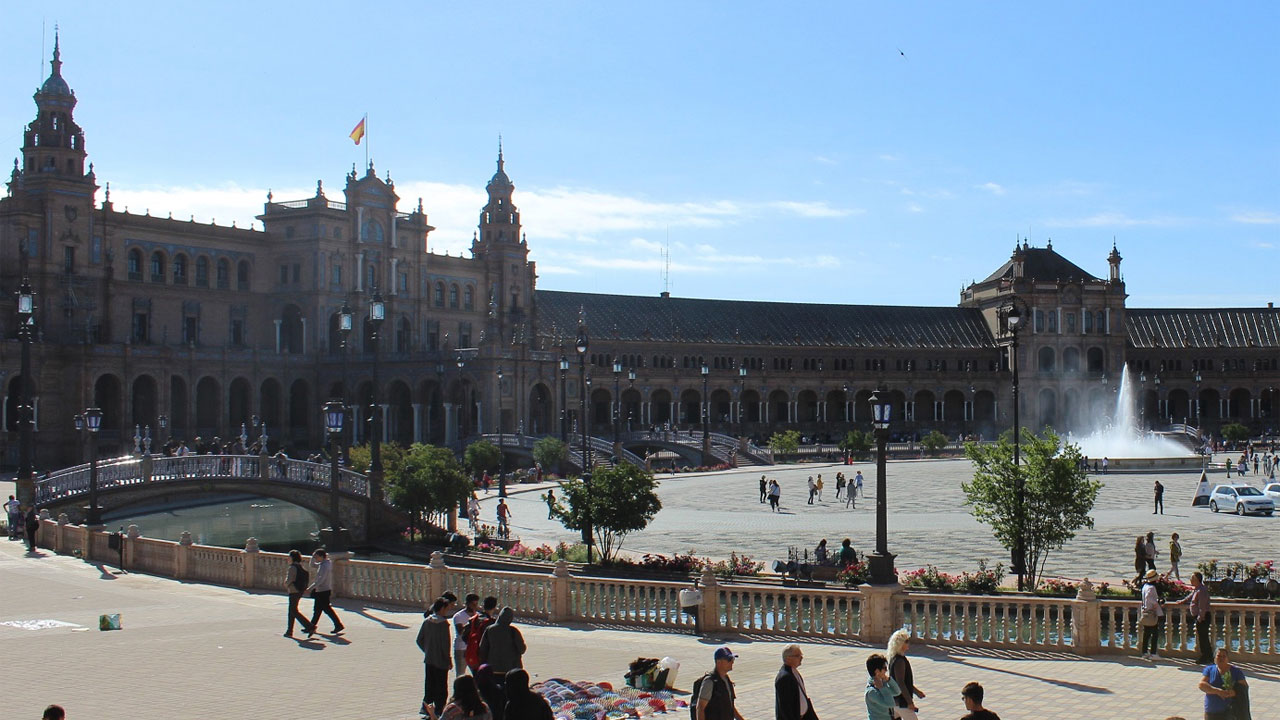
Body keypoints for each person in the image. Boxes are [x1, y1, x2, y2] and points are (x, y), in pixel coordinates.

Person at [418, 597, 454, 717]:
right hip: (441, 661)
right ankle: (439, 710)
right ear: (442, 608)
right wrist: (448, 659)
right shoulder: (443, 624)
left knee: (429, 683)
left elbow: (419, 640)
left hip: (429, 659)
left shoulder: (427, 621)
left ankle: (426, 706)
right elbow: (446, 644)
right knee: (441, 687)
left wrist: (427, 650)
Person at [695, 646, 744, 720]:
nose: (732, 662)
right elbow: (700, 708)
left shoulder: (726, 679)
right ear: (719, 662)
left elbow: (730, 707)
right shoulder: (709, 682)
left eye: (732, 659)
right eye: (729, 659)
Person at [1199, 648, 1249, 720]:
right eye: (1218, 656)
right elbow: (1201, 685)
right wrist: (1218, 691)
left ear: (1227, 659)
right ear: (1214, 658)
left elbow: (1244, 688)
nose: (1221, 658)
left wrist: (1234, 693)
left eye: (1224, 656)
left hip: (1229, 712)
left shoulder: (1236, 671)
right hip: (1211, 711)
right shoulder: (1209, 670)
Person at [306, 548, 345, 637]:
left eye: (316, 557)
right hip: (322, 590)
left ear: (321, 556)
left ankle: (338, 625)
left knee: (326, 609)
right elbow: (312, 565)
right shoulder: (324, 563)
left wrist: (310, 588)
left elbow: (320, 580)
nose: (315, 559)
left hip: (323, 590)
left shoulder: (324, 566)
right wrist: (312, 556)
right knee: (318, 610)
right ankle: (311, 626)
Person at [887, 629, 925, 714]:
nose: (908, 643)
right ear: (900, 644)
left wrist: (916, 692)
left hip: (895, 700)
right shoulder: (899, 661)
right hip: (901, 702)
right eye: (906, 641)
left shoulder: (894, 658)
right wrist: (910, 702)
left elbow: (903, 681)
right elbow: (901, 683)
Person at [774, 644, 817, 720]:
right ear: (788, 658)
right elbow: (785, 708)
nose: (801, 658)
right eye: (798, 656)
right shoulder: (784, 678)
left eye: (801, 655)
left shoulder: (794, 671)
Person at [478, 607, 526, 674]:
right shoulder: (513, 631)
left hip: (493, 667)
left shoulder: (489, 629)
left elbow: (483, 648)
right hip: (510, 669)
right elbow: (522, 649)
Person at [1179, 571, 1213, 664]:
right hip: (1199, 617)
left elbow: (1202, 606)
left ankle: (1206, 656)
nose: (1190, 580)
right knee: (1202, 637)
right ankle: (1208, 656)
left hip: (1203, 617)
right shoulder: (1197, 589)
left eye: (1193, 579)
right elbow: (1191, 596)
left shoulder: (1202, 590)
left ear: (1198, 580)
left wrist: (1200, 617)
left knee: (1203, 638)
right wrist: (1183, 601)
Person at [283, 549, 314, 637]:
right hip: (299, 590)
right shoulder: (300, 566)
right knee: (292, 611)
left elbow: (290, 579)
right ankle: (289, 631)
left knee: (293, 611)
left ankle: (309, 626)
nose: (288, 559)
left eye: (289, 557)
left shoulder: (292, 567)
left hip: (294, 590)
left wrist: (286, 584)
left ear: (292, 558)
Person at [464, 597, 499, 673]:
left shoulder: (473, 619)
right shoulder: (492, 623)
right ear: (494, 607)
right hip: (486, 658)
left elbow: (464, 636)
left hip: (472, 655)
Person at [863, 653, 900, 720]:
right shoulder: (871, 692)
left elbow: (897, 692)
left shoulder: (882, 682)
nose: (886, 670)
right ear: (877, 671)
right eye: (884, 668)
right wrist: (882, 688)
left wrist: (888, 680)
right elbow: (891, 703)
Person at [452, 593, 480, 676]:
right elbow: (460, 632)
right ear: (467, 604)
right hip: (461, 648)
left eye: (476, 604)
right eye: (473, 604)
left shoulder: (478, 615)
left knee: (477, 674)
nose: (475, 606)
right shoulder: (458, 616)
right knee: (460, 674)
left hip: (474, 648)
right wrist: (471, 622)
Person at [1139, 569, 1164, 660]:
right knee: (1154, 633)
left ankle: (1144, 652)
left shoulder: (1145, 586)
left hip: (1145, 612)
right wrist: (1158, 603)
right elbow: (1150, 599)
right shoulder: (1151, 588)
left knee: (1146, 633)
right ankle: (1153, 653)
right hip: (1151, 613)